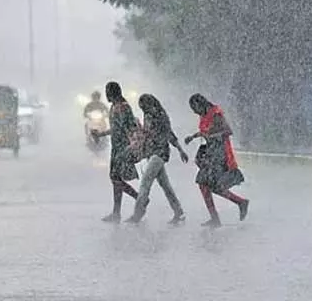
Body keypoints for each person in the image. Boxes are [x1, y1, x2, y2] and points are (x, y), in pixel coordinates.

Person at [185, 93, 249, 228]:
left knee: (206, 183)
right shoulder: (203, 115)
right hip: (211, 152)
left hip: (220, 153)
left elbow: (227, 131)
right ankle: (237, 204)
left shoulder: (215, 114)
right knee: (209, 185)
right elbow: (205, 132)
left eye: (195, 108)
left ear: (200, 104)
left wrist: (211, 136)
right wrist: (193, 136)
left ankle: (221, 215)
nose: (195, 112)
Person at [125, 94, 189, 225]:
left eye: (145, 107)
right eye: (142, 108)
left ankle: (138, 213)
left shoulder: (161, 116)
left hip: (160, 153)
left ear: (151, 104)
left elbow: (169, 134)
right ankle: (179, 211)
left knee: (145, 183)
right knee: (165, 185)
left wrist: (180, 149)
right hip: (151, 152)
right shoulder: (148, 116)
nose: (144, 110)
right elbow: (147, 134)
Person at [91, 82, 140, 223]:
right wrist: (101, 134)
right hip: (117, 146)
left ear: (113, 92)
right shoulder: (114, 107)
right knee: (116, 179)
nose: (106, 95)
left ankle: (139, 198)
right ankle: (116, 212)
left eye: (108, 92)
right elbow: (115, 129)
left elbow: (127, 128)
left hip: (123, 147)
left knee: (115, 178)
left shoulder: (123, 108)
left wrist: (132, 144)